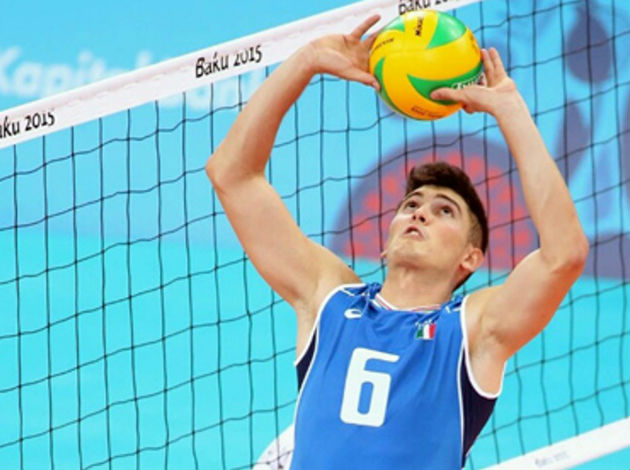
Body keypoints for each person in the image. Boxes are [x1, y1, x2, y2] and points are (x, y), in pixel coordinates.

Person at [206, 14, 588, 470]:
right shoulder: (329, 299)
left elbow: (564, 255)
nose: (419, 213)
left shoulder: (472, 330)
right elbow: (231, 175)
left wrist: (510, 110)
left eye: (444, 211)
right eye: (411, 205)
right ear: (385, 245)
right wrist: (307, 60)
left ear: (471, 258)